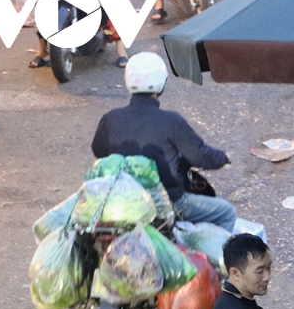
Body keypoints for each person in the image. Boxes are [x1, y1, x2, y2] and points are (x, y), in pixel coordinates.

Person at [91, 52, 237, 231]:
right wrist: (223, 158)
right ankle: (223, 257)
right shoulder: (171, 121)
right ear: (161, 84)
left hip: (119, 200)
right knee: (226, 212)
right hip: (166, 203)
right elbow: (199, 155)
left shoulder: (111, 118)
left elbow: (98, 150)